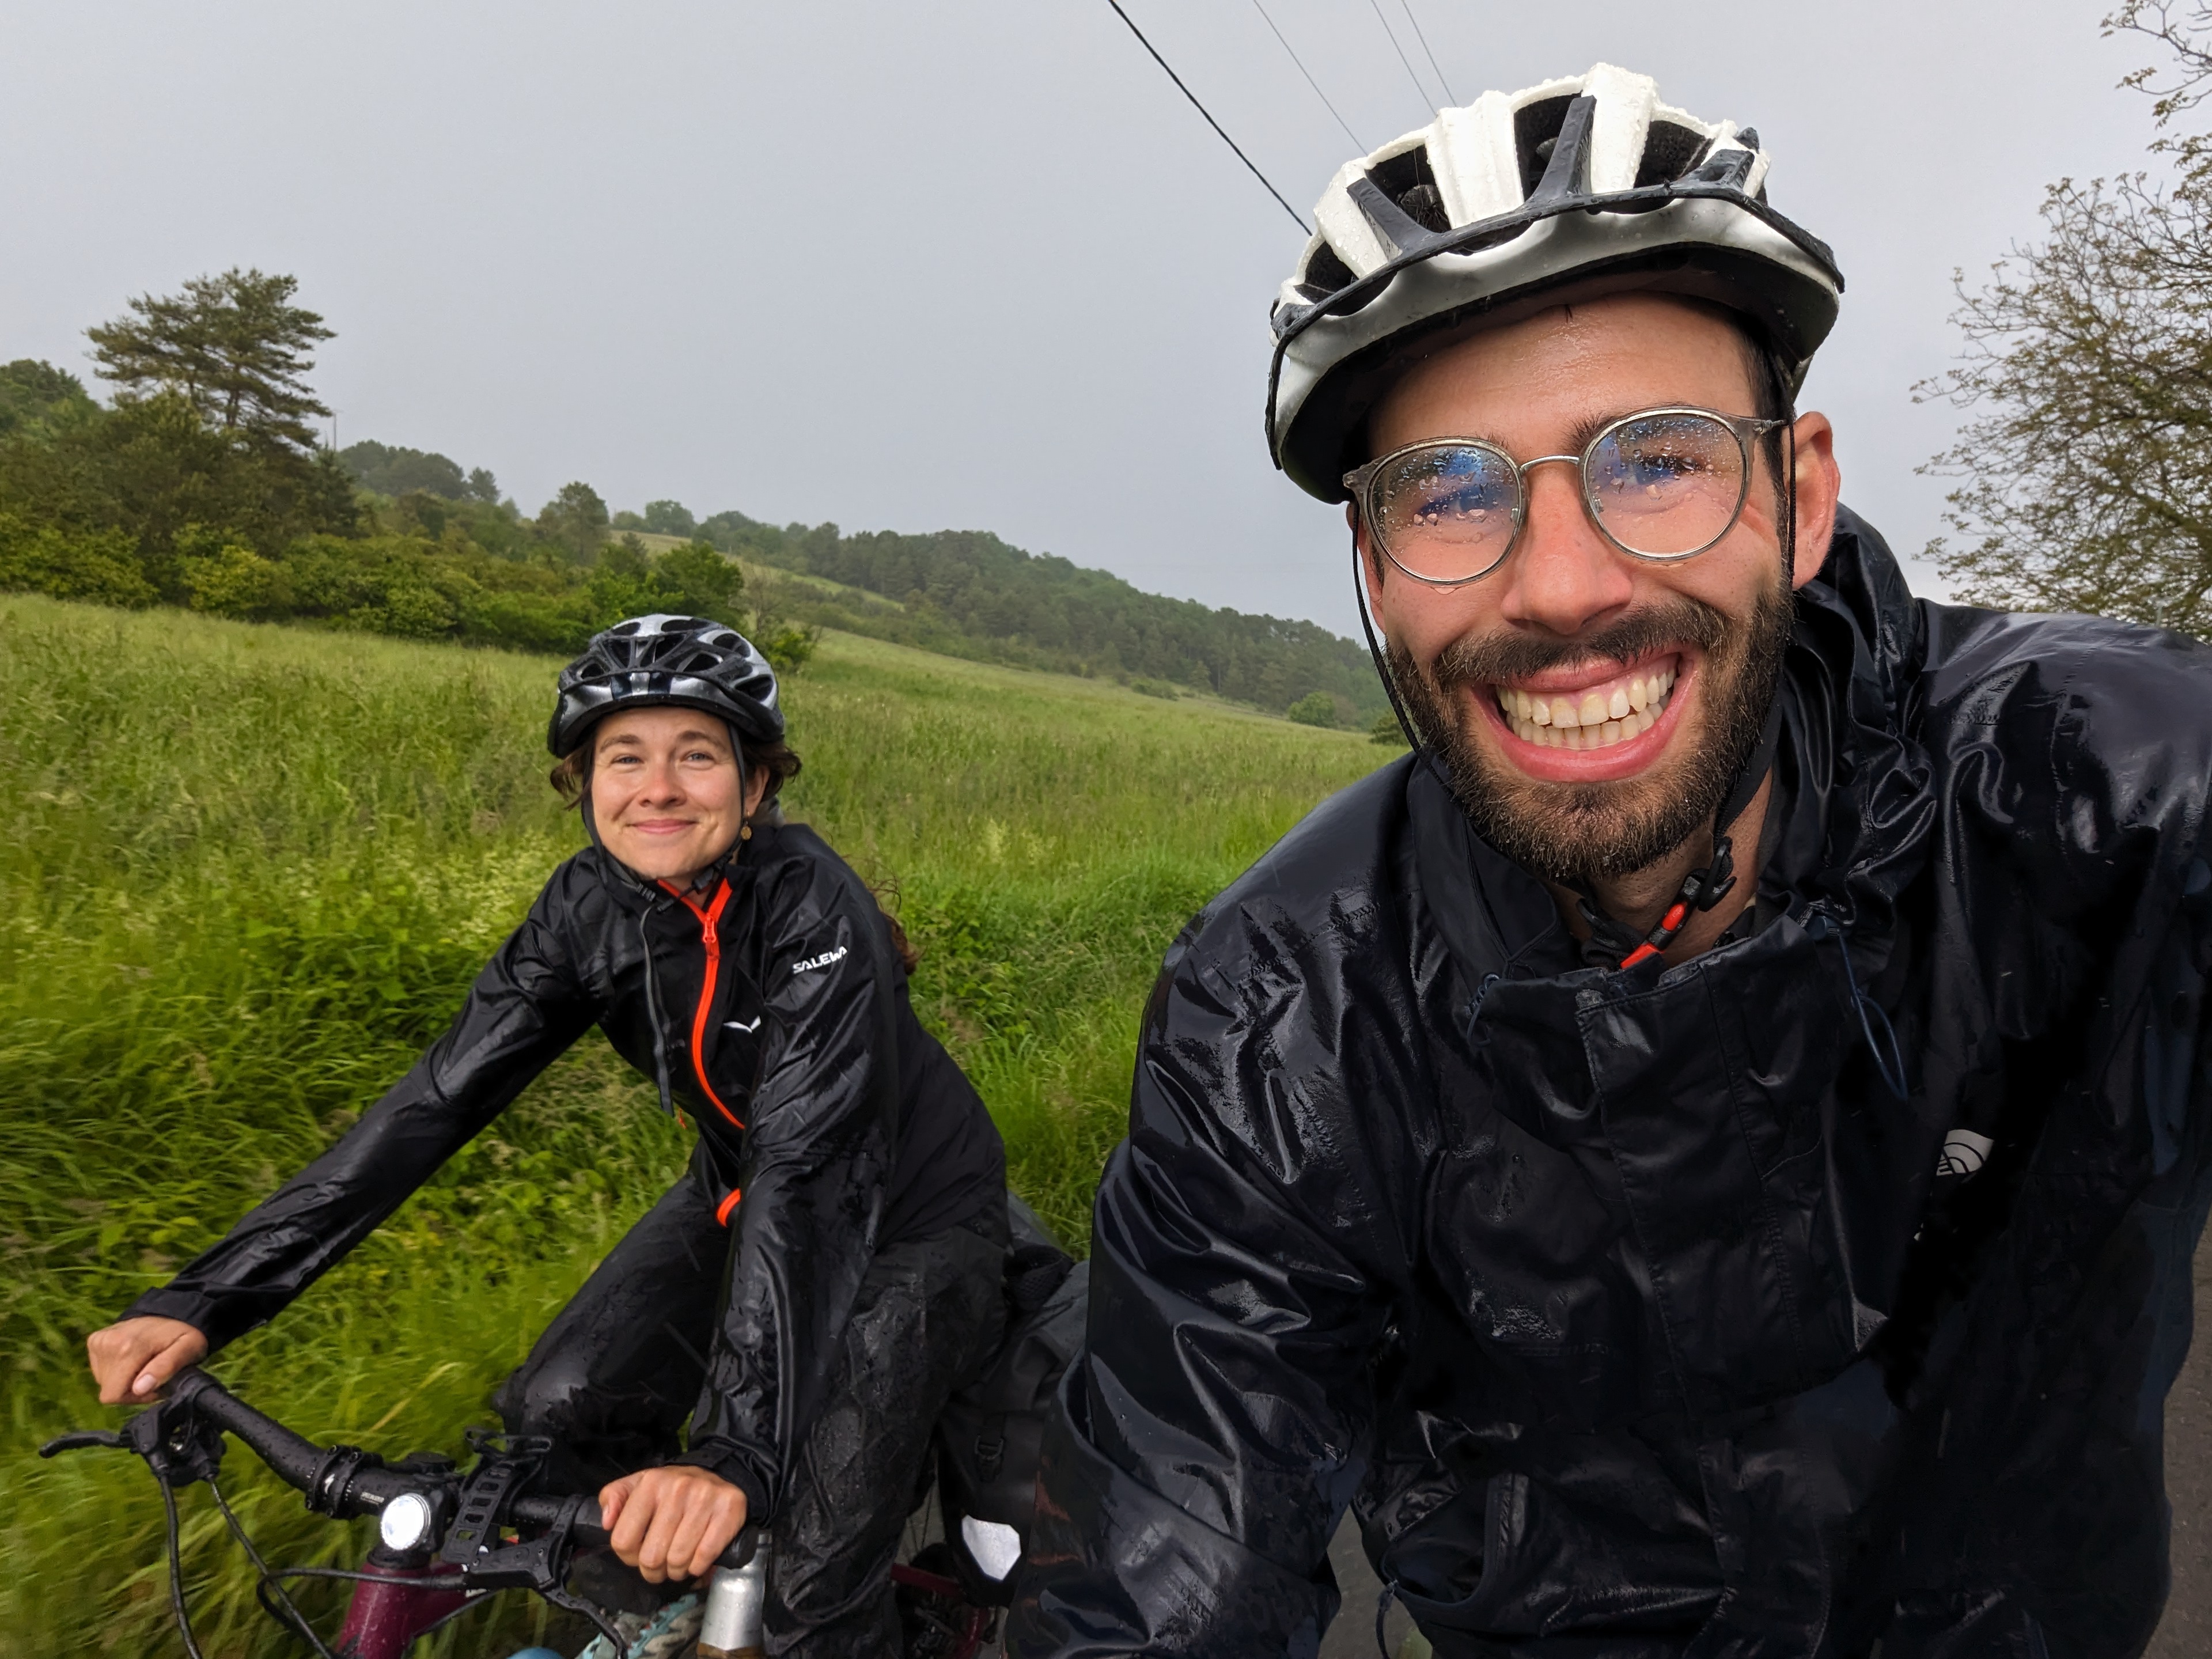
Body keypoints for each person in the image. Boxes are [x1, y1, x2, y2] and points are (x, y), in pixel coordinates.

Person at [1007, 63, 2212, 1658]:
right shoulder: (1285, 1013)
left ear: (1798, 498)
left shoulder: (2101, 793)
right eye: (1450, 490)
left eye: (1655, 457)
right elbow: (1174, 1565)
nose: (1563, 587)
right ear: (1375, 572)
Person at [85, 615, 1010, 1655]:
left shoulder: (811, 909)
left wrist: (737, 1457)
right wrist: (206, 1299)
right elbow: (431, 1107)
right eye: (626, 757)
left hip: (912, 1215)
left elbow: (812, 1173)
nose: (658, 787)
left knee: (811, 1580)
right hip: (741, 1182)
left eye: (696, 755)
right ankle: (661, 1617)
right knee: (561, 1417)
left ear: (755, 789)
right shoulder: (587, 910)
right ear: (585, 784)